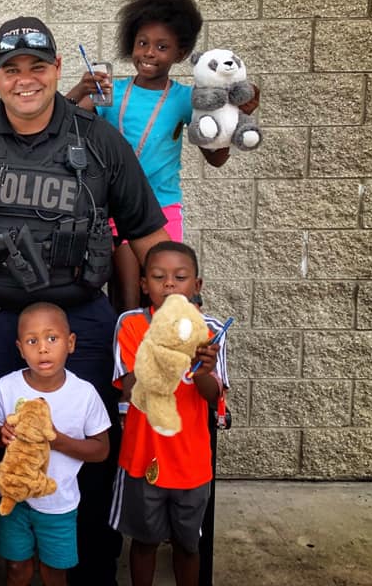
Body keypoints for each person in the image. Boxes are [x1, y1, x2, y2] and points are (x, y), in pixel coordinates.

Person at [0, 15, 170, 584]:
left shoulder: (98, 140)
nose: (25, 80)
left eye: (37, 67)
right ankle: (7, 561)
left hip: (80, 323)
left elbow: (148, 232)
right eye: (11, 69)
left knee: (90, 445)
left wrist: (174, 309)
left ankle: (90, 563)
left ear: (55, 70)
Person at [65, 0, 258, 312]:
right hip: (115, 211)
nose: (149, 53)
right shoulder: (111, 92)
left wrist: (235, 118)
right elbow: (64, 125)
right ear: (131, 44)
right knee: (126, 300)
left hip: (163, 211)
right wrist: (80, 89)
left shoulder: (185, 98)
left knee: (168, 301)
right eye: (142, 43)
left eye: (162, 46)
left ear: (181, 54)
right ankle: (126, 361)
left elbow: (217, 158)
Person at [109, 241, 229, 586]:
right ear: (144, 284)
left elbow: (212, 396)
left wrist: (204, 370)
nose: (170, 285)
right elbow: (131, 387)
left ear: (197, 286)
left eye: (180, 277)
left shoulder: (208, 329)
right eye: (159, 277)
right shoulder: (131, 324)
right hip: (142, 457)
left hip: (191, 463)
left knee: (188, 545)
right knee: (144, 542)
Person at [0, 302, 111, 586]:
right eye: (32, 341)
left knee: (54, 573)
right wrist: (3, 435)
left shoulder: (83, 394)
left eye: (52, 338)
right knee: (16, 568)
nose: (43, 349)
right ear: (21, 348)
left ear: (70, 343)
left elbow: (101, 450)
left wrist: (58, 441)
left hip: (60, 505)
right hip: (15, 499)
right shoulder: (7, 387)